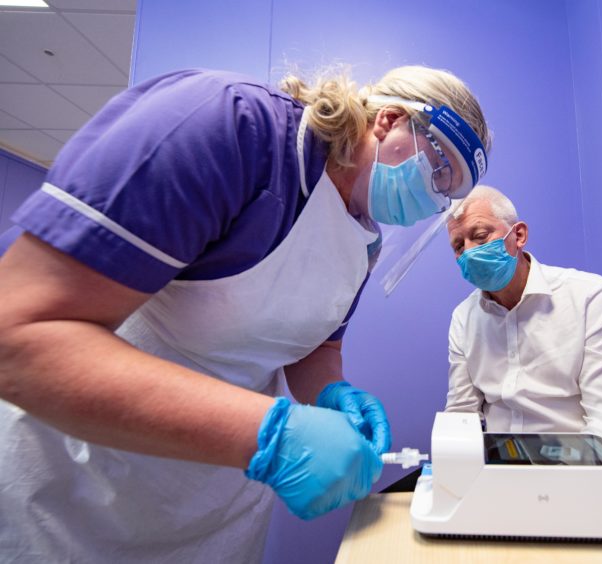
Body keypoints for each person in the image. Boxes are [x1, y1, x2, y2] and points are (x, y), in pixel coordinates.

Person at [0, 65, 490, 562]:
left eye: (449, 191)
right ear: (389, 120)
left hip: (215, 512)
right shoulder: (232, 128)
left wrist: (330, 392)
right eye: (439, 169)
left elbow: (316, 344)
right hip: (76, 491)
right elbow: (17, 336)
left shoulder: (364, 240)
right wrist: (273, 437)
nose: (436, 195)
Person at [444, 186, 602, 460]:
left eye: (480, 236)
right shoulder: (463, 318)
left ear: (518, 235)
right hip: (500, 475)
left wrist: (554, 487)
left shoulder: (590, 297)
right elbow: (461, 417)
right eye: (458, 246)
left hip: (580, 472)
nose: (468, 252)